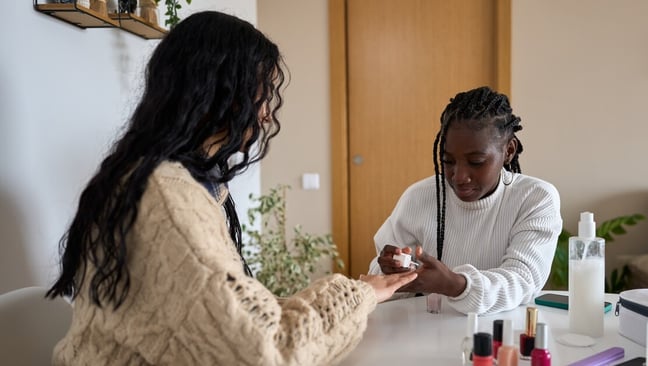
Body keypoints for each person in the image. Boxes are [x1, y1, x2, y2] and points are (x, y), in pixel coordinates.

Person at [46, 11, 416, 365]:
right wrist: (360, 293)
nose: (267, 113)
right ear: (218, 92)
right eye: (262, 93)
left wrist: (364, 291)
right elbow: (268, 352)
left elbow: (231, 315)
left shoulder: (162, 179)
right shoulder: (166, 199)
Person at [368, 86, 562, 315]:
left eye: (476, 161)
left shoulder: (535, 198)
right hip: (425, 333)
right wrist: (391, 270)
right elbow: (378, 282)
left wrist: (456, 285)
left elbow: (522, 280)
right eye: (448, 161)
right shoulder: (418, 197)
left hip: (501, 338)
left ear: (509, 150)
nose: (459, 176)